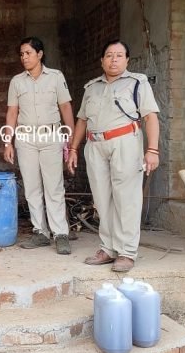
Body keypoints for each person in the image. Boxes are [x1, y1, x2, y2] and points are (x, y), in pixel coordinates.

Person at [67, 40, 160, 272]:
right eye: (109, 55)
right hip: (95, 144)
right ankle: (108, 248)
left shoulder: (137, 83)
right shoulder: (92, 88)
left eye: (119, 55)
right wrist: (73, 148)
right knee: (101, 199)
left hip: (125, 142)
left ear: (127, 60)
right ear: (102, 61)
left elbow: (150, 117)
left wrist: (152, 150)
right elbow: (82, 120)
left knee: (127, 198)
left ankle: (126, 252)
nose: (114, 60)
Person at [3, 37, 75, 255]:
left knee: (54, 187)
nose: (24, 57)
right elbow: (12, 112)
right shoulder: (17, 81)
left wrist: (71, 138)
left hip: (51, 136)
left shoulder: (55, 77)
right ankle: (40, 232)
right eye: (22, 54)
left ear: (40, 54)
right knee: (32, 187)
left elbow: (65, 107)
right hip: (25, 138)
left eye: (28, 53)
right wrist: (8, 142)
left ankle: (60, 234)